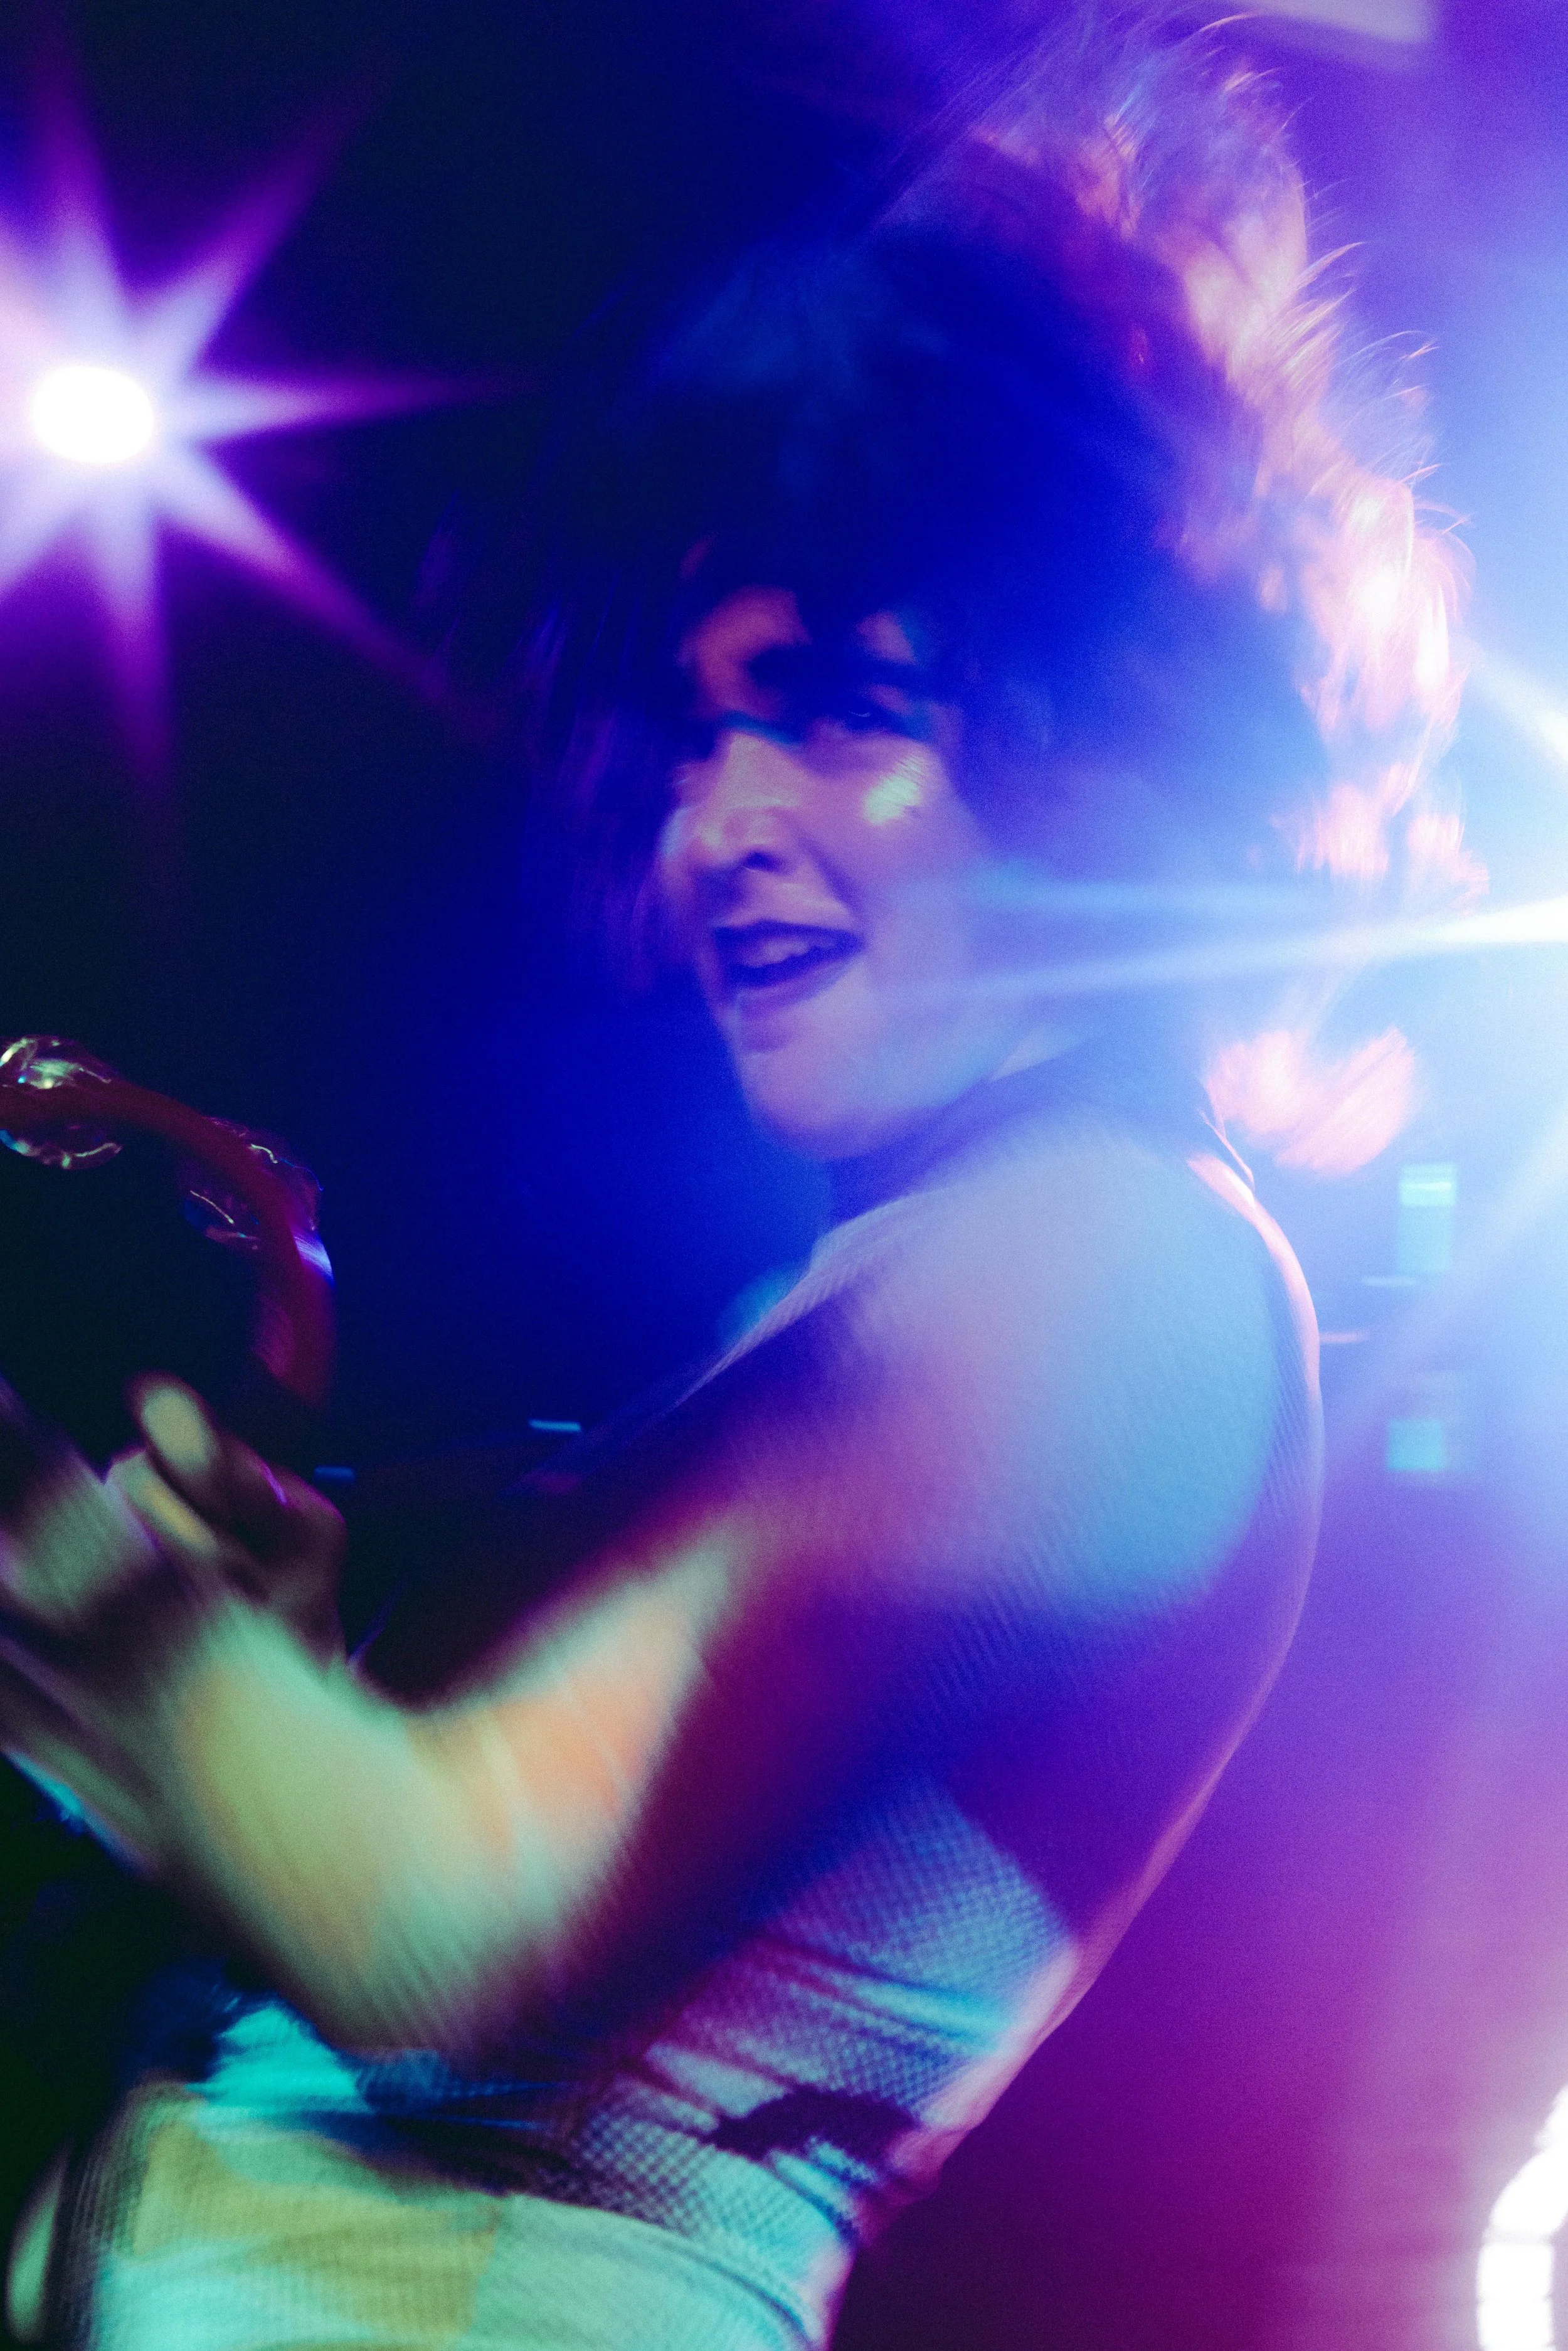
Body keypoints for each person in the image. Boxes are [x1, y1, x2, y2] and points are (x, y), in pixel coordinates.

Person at [0, 16, 1458, 2350]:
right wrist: (274, 1664)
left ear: (1115, 746)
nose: (716, 825)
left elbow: (446, 1932)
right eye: (695, 731)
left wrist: (89, 1584)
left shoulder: (1124, 1260)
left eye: (842, 707)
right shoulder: (947, 1259)